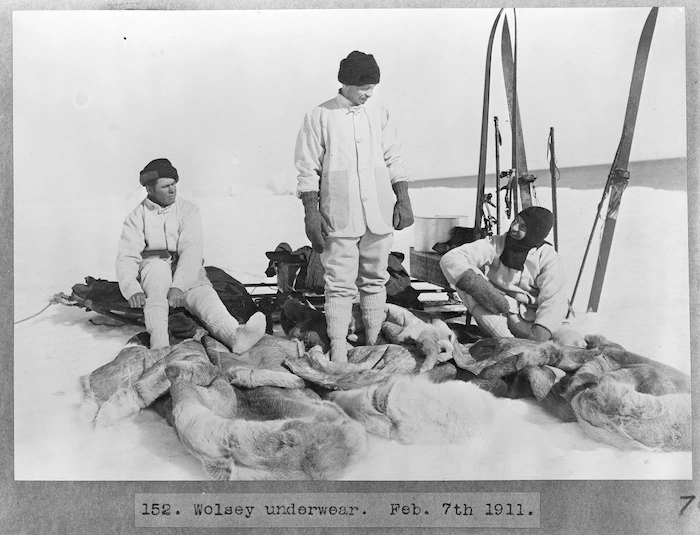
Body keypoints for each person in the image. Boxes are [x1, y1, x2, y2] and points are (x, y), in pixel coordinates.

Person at [294, 50, 414, 363]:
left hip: (378, 211)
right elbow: (307, 168)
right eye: (364, 87)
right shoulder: (319, 116)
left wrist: (402, 197)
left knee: (376, 278)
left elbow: (394, 157)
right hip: (339, 213)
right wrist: (311, 212)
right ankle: (338, 349)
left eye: (373, 87)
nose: (369, 93)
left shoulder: (380, 112)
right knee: (339, 283)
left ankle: (372, 343)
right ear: (346, 83)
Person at [116, 158, 267, 351]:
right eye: (165, 187)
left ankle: (235, 335)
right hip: (153, 271)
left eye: (173, 185)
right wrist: (132, 289)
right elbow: (126, 257)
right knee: (157, 273)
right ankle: (159, 342)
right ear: (150, 190)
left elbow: (191, 252)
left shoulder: (188, 210)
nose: (172, 190)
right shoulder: (136, 217)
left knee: (203, 293)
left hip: (185, 269)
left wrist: (179, 286)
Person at [439, 206, 583, 346]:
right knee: (466, 277)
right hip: (494, 313)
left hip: (530, 321)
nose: (514, 228)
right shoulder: (496, 244)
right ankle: (508, 343)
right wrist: (484, 291)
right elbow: (451, 258)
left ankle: (522, 347)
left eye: (523, 227)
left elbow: (553, 302)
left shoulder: (548, 258)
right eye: (515, 221)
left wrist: (538, 338)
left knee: (572, 343)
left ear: (536, 232)